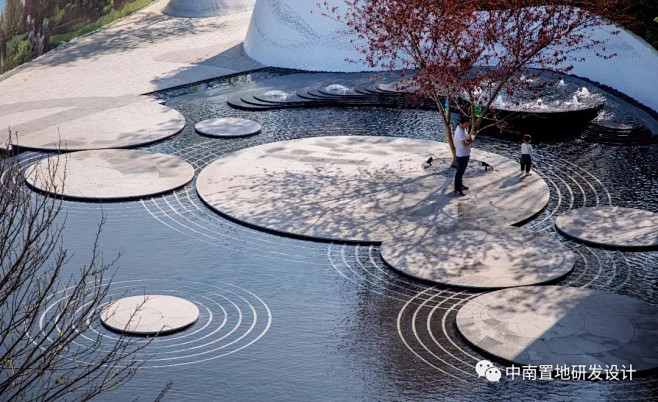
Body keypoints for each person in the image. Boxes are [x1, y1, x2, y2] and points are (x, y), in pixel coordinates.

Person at [453, 115, 474, 196]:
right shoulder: (459, 132)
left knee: (461, 172)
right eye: (468, 123)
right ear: (464, 123)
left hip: (465, 154)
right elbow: (464, 144)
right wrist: (471, 140)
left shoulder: (463, 129)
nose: (469, 125)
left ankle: (460, 185)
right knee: (459, 172)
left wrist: (469, 138)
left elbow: (466, 139)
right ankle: (457, 189)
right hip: (461, 155)